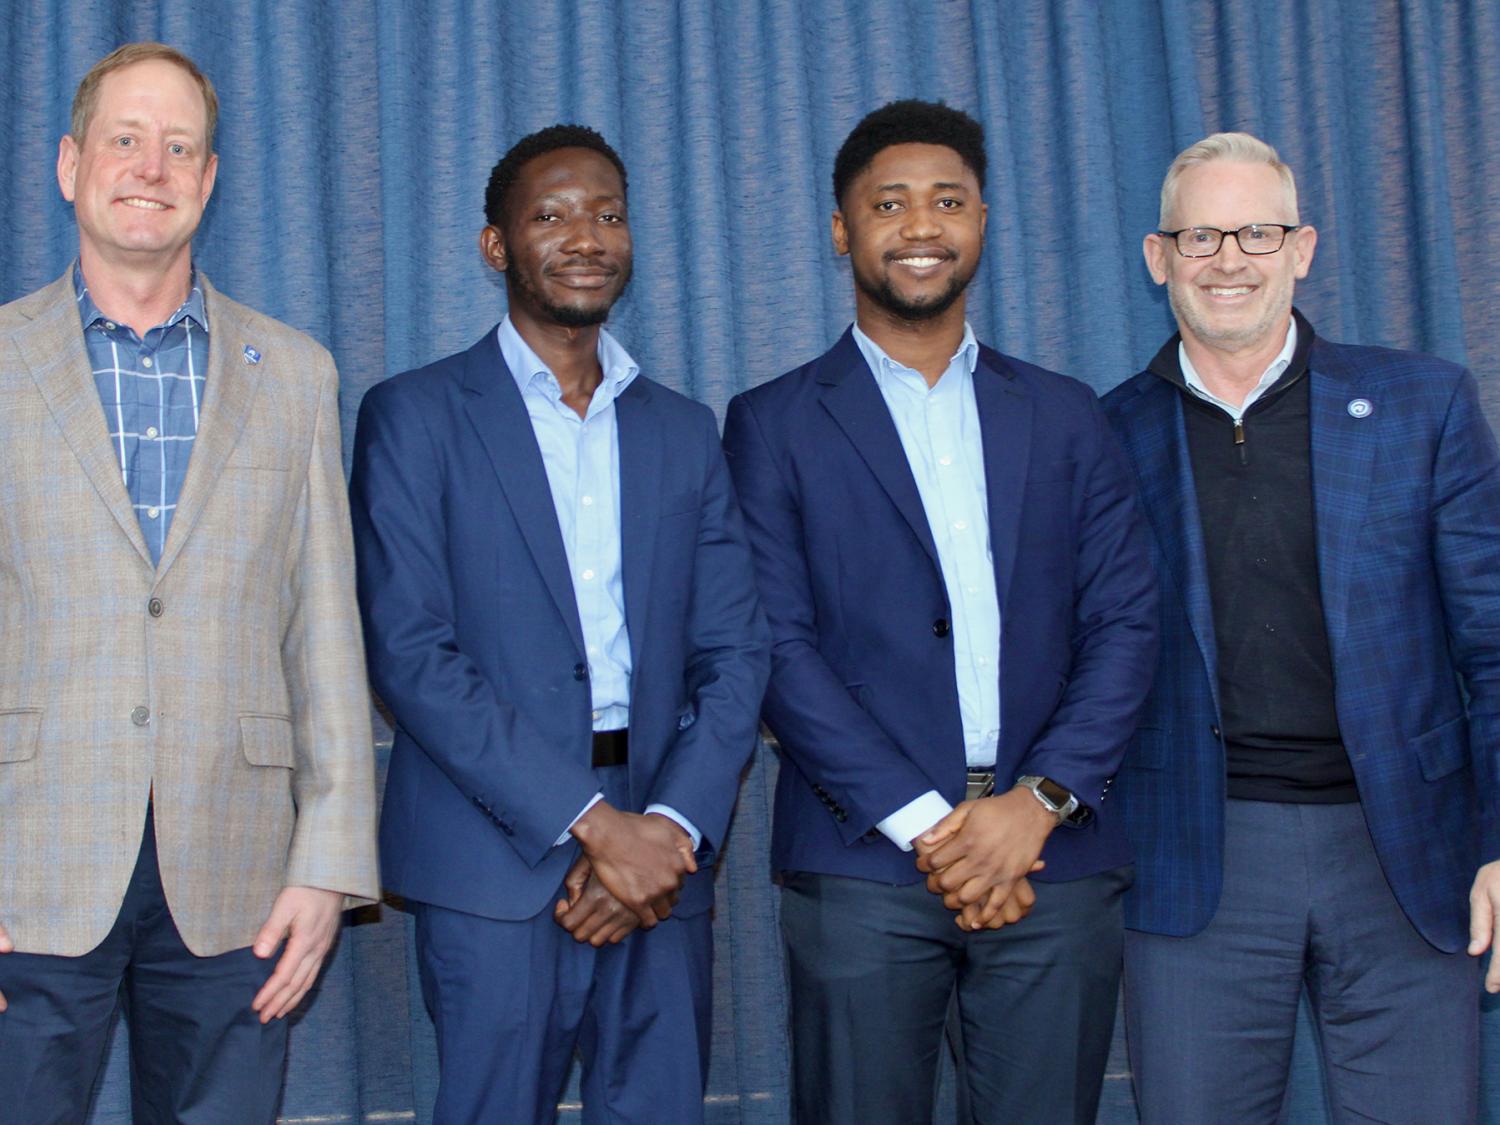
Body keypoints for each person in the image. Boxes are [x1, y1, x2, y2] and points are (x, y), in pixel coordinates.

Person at [722, 99, 1157, 1125]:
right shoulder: (771, 423)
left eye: (948, 201)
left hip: (1053, 860)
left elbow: (1127, 621)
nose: (921, 226)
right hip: (862, 867)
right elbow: (773, 645)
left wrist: (1034, 806)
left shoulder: (1065, 412)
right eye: (889, 203)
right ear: (841, 230)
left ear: (984, 222)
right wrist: (938, 832)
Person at [350, 124, 769, 1125]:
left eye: (609, 214)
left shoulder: (682, 429)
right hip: (492, 845)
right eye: (552, 214)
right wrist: (593, 827)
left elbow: (736, 649)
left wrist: (663, 829)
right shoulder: (413, 416)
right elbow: (409, 651)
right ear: (497, 246)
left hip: (664, 843)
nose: (587, 236)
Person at [0, 42, 378, 1122]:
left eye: (180, 147)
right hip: (29, 872)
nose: (150, 167)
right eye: (125, 140)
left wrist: (331, 862)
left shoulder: (295, 373)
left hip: (240, 879)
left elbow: (325, 636)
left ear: (209, 180)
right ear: (71, 165)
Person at [1102, 131, 1500, 1123]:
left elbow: (1494, 642)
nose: (1228, 258)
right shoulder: (1101, 435)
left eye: (1256, 232)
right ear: (1158, 257)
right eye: (1200, 235)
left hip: (1407, 852)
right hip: (1195, 861)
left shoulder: (1424, 403)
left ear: (1305, 247)